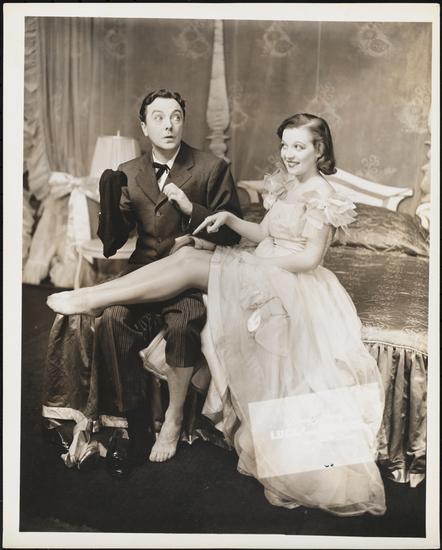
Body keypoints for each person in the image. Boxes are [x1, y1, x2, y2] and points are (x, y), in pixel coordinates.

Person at [47, 113, 386, 516]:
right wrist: (230, 220)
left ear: (319, 149)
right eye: (285, 145)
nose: (289, 154)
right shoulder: (290, 186)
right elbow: (266, 234)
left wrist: (254, 265)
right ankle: (96, 297)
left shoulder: (324, 194)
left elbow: (310, 257)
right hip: (267, 268)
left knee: (191, 261)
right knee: (188, 255)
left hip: (291, 282)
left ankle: (93, 297)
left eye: (299, 146)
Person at [43, 88, 242, 476]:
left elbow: (233, 233)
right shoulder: (130, 170)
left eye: (176, 117)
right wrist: (108, 205)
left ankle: (173, 420)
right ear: (144, 127)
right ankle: (132, 427)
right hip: (143, 272)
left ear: (183, 122)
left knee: (184, 324)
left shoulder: (211, 167)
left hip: (188, 280)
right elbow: (113, 242)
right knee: (113, 320)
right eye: (158, 118)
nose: (168, 125)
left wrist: (191, 212)